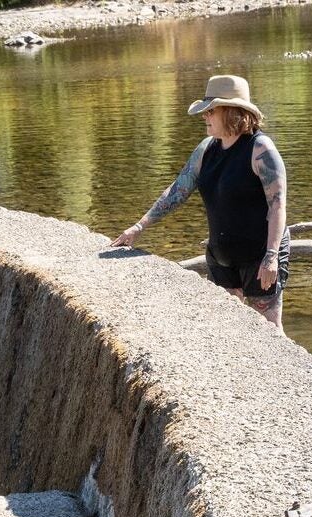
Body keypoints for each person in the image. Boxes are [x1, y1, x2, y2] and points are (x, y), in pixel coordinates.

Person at [111, 74, 289, 331]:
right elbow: (178, 191)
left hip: (260, 256)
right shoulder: (206, 148)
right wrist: (139, 227)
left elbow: (277, 204)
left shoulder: (261, 149)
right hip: (222, 256)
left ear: (231, 112)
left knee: (270, 330)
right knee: (229, 329)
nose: (204, 116)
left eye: (210, 111)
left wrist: (271, 257)